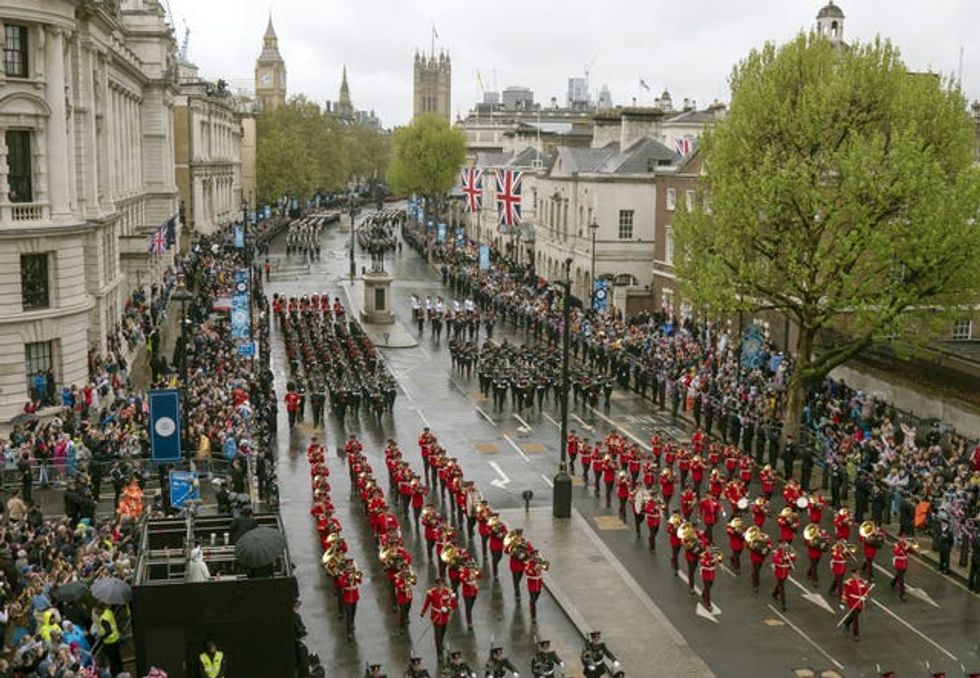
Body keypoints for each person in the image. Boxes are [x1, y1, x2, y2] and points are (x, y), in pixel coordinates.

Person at [420, 577, 457, 659]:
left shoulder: (448, 592)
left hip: (444, 616)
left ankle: (440, 643)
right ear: (436, 585)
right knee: (438, 635)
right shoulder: (431, 593)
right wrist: (423, 611)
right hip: (436, 616)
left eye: (441, 584)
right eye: (438, 584)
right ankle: (439, 653)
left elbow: (454, 603)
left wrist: (448, 608)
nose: (440, 585)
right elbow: (427, 603)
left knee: (443, 632)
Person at [841, 568, 871, 641]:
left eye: (858, 574)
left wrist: (865, 597)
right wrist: (843, 602)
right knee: (855, 618)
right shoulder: (849, 583)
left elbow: (866, 591)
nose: (857, 575)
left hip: (860, 601)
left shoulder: (863, 582)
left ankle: (847, 622)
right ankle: (856, 635)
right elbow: (845, 593)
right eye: (855, 574)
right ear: (853, 575)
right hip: (852, 601)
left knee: (857, 613)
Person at [93, 602, 123, 676]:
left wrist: (101, 638)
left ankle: (116, 674)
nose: (95, 612)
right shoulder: (108, 612)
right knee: (118, 659)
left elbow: (108, 631)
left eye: (96, 610)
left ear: (100, 609)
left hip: (109, 643)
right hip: (116, 639)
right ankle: (121, 672)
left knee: (112, 661)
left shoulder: (103, 619)